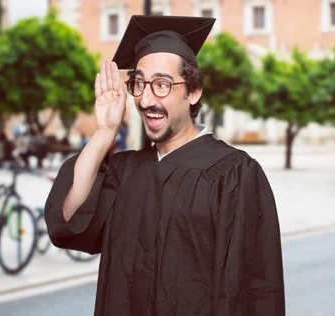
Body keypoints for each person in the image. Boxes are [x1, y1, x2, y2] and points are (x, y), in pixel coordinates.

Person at [44, 15, 285, 315]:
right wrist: (104, 132)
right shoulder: (126, 171)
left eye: (162, 85)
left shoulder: (234, 176)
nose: (146, 99)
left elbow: (253, 290)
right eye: (139, 83)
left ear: (194, 91)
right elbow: (69, 222)